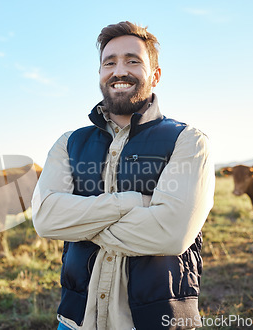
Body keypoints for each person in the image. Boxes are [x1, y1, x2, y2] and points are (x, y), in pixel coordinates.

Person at [31, 21, 215, 330]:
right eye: (110, 62)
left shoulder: (188, 140)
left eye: (133, 61)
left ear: (155, 76)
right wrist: (132, 203)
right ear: (100, 74)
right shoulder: (69, 143)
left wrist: (80, 223)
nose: (119, 71)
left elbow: (172, 233)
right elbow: (46, 219)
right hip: (75, 322)